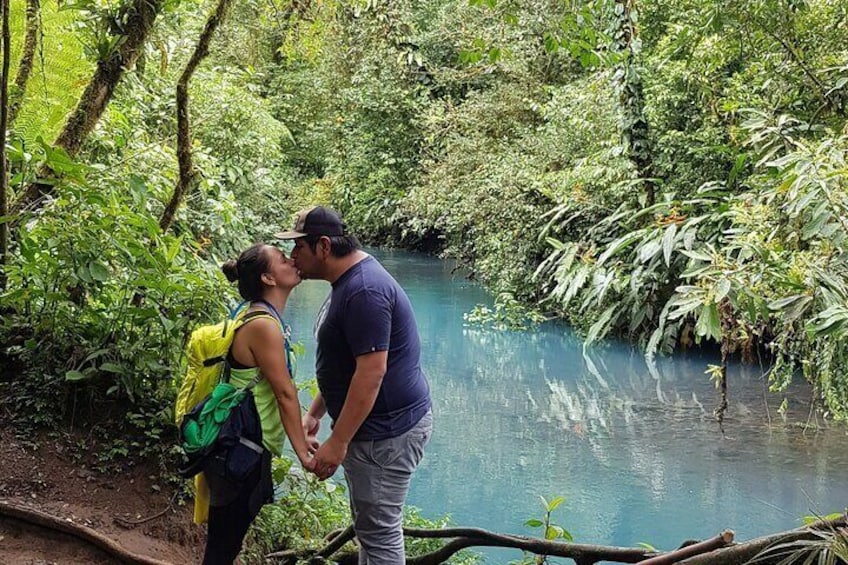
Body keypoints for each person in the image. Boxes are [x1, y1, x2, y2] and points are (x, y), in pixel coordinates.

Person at [277, 206, 433, 565]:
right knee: (371, 530)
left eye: (299, 246)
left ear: (324, 247)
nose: (293, 255)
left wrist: (338, 441)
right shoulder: (349, 280)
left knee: (380, 536)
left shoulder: (364, 291)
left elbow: (371, 373)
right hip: (377, 430)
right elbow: (346, 363)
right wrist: (316, 413)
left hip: (385, 434)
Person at [206, 243, 314, 565]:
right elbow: (284, 393)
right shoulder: (263, 325)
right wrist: (304, 455)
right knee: (222, 550)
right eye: (283, 259)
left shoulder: (257, 315)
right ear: (268, 277)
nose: (292, 259)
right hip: (240, 451)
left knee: (225, 546)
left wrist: (302, 432)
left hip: (239, 448)